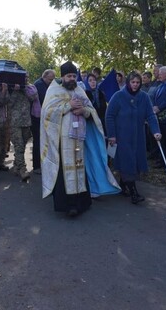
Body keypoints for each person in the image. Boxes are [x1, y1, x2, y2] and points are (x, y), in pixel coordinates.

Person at [41, 61, 119, 217]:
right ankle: (68, 205)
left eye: (73, 76)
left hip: (80, 139)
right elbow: (47, 114)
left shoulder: (80, 90)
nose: (71, 79)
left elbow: (92, 112)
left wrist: (84, 110)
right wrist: (68, 105)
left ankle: (81, 203)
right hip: (63, 141)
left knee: (80, 168)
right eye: (68, 76)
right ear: (62, 76)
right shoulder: (53, 90)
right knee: (65, 171)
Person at [106, 72, 162, 203]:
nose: (135, 85)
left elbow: (150, 115)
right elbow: (110, 116)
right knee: (127, 161)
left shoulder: (144, 97)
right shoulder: (118, 96)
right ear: (128, 82)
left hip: (138, 136)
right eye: (133, 82)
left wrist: (156, 131)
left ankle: (124, 185)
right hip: (122, 135)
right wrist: (112, 135)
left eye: (138, 82)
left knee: (135, 162)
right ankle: (134, 193)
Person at [9, 74, 37, 181]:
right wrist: (16, 91)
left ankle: (17, 164)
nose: (25, 79)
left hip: (26, 122)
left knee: (23, 145)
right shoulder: (12, 88)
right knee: (19, 145)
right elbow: (9, 103)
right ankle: (22, 169)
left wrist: (24, 88)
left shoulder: (30, 87)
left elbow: (33, 97)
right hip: (16, 122)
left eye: (26, 78)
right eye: (23, 78)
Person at [32, 69, 55, 174]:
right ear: (44, 77)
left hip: (45, 117)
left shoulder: (46, 84)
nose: (52, 81)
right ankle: (37, 166)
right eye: (50, 79)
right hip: (37, 119)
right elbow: (45, 99)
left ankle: (44, 164)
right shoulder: (39, 85)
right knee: (38, 141)